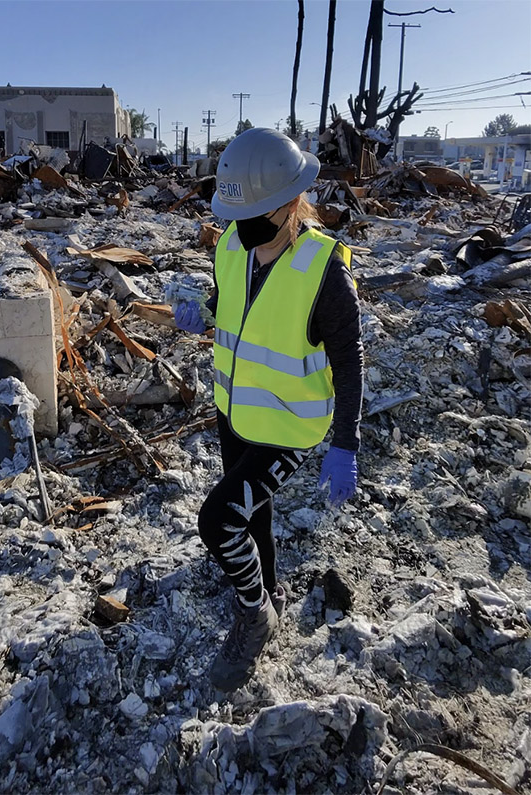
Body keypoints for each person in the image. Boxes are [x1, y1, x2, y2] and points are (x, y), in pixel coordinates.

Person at [174, 128, 364, 691]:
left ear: (289, 204)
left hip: (290, 427)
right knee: (254, 516)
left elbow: (350, 363)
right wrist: (203, 313)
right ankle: (269, 588)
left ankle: (256, 617)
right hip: (235, 412)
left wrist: (345, 443)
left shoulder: (324, 272)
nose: (243, 224)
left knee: (218, 519)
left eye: (255, 212)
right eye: (237, 213)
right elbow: (228, 301)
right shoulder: (231, 244)